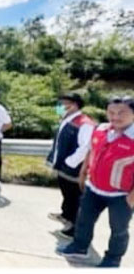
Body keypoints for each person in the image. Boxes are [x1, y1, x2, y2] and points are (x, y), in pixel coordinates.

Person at [57, 96, 134, 267]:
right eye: (111, 112)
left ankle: (113, 259)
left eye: (122, 113)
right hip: (94, 188)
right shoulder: (101, 129)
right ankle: (79, 247)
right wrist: (84, 173)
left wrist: (131, 198)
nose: (115, 117)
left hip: (121, 194)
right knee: (83, 219)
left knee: (118, 230)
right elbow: (92, 151)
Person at [45, 92, 96, 240]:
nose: (59, 107)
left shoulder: (84, 123)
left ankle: (75, 228)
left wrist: (69, 162)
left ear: (73, 105)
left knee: (75, 196)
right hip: (63, 165)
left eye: (62, 103)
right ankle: (66, 215)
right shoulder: (68, 118)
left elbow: (85, 147)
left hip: (73, 168)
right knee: (66, 192)